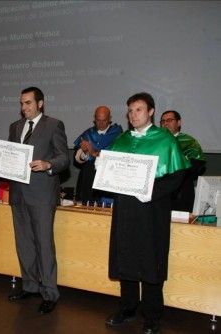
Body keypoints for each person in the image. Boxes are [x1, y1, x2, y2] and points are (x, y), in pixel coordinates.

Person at [105, 93, 189, 334]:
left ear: (151, 111)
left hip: (152, 210)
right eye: (130, 110)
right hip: (125, 211)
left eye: (139, 110)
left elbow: (176, 176)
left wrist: (149, 192)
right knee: (126, 257)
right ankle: (128, 308)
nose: (133, 115)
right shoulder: (121, 140)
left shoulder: (164, 140)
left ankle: (152, 315)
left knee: (150, 260)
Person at [4, 87, 69, 315]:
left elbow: (64, 157)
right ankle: (30, 286)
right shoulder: (15, 127)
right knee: (24, 244)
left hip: (42, 194)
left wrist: (48, 164)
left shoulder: (54, 125)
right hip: (18, 194)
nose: (24, 108)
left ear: (40, 103)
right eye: (22, 103)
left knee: (43, 244)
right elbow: (10, 156)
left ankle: (50, 293)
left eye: (29, 103)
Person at [73, 106, 122, 204]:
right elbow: (77, 158)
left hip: (108, 178)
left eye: (104, 120)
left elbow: (118, 155)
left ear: (110, 119)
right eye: (98, 120)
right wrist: (85, 152)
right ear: (94, 119)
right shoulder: (88, 133)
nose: (101, 123)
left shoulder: (118, 134)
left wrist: (94, 152)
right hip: (88, 178)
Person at [160, 110, 206, 212]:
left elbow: (196, 166)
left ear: (179, 123)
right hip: (159, 193)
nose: (165, 123)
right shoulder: (156, 142)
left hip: (181, 193)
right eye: (163, 121)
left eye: (169, 120)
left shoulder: (188, 142)